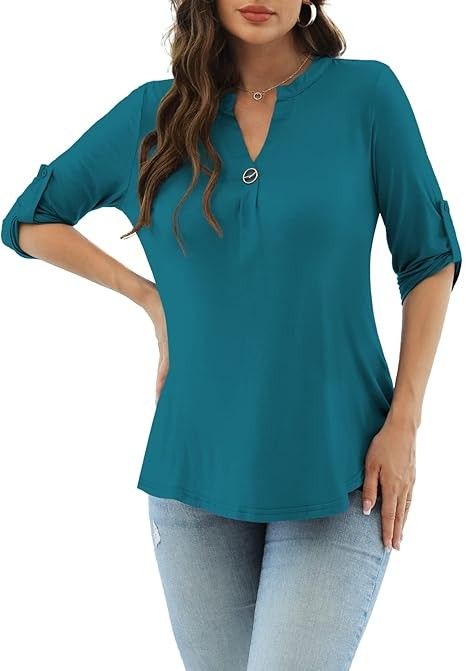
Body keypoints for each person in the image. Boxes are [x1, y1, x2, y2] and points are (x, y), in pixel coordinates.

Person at [2, 1, 462, 669]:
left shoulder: (367, 96)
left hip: (341, 469)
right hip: (194, 477)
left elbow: (429, 258)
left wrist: (405, 421)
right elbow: (31, 219)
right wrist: (151, 299)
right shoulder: (156, 113)